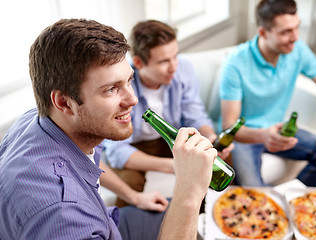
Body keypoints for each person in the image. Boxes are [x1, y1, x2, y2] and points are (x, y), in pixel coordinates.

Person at [0, 18, 216, 240]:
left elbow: (90, 163)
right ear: (64, 103)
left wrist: (134, 197)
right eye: (111, 89)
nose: (133, 99)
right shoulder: (62, 217)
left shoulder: (43, 121)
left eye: (129, 81)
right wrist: (188, 193)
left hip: (106, 219)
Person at [102, 20, 233, 207]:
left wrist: (211, 138)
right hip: (135, 145)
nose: (173, 67)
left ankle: (206, 214)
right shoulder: (122, 88)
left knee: (220, 158)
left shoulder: (183, 69)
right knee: (130, 181)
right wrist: (173, 166)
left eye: (175, 56)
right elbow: (117, 151)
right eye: (164, 61)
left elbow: (194, 115)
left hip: (171, 139)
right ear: (138, 62)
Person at [219, 0, 316, 187]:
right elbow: (229, 126)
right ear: (263, 32)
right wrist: (263, 135)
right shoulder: (235, 63)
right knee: (255, 194)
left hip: (279, 130)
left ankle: (290, 200)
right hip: (247, 137)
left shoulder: (297, 50)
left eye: (297, 28)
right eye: (285, 32)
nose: (295, 37)